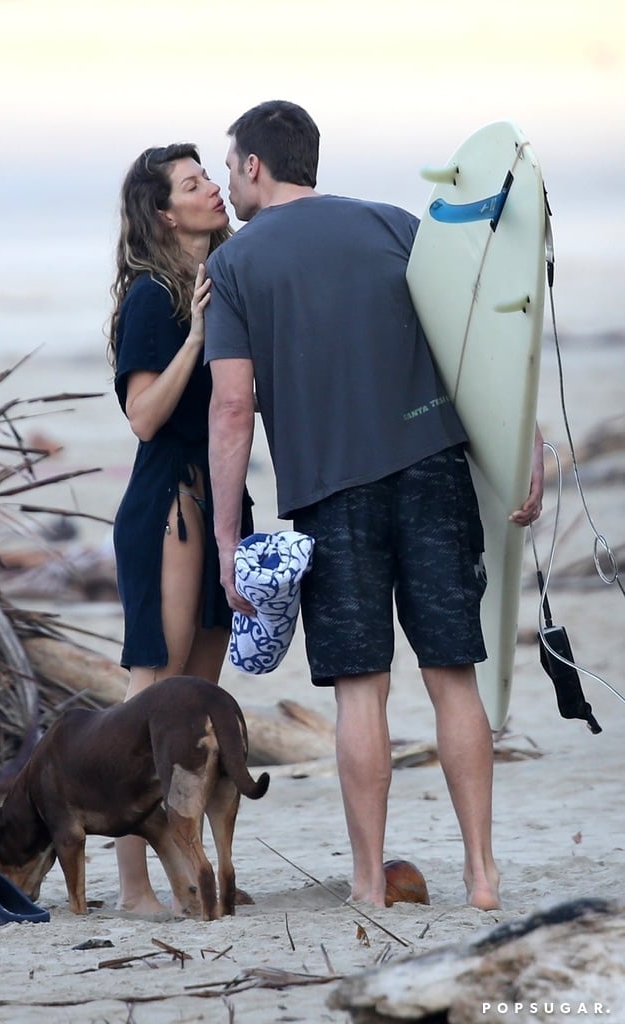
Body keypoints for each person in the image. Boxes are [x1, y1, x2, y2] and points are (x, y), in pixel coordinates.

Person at [204, 101, 544, 911]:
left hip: (332, 491)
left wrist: (226, 536)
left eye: (228, 165)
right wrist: (523, 439)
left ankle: (365, 885)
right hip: (433, 468)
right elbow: (481, 339)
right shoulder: (396, 225)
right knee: (454, 678)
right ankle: (482, 877)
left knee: (361, 692)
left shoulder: (236, 265)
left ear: (255, 165)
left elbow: (231, 407)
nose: (226, 180)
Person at [107, 143, 253, 915]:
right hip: (166, 502)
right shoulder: (152, 300)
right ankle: (134, 890)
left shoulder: (226, 281)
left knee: (198, 711)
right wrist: (196, 337)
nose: (212, 192)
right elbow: (143, 417)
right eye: (194, 185)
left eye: (209, 179)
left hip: (220, 494)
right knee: (153, 700)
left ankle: (188, 867)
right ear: (166, 213)